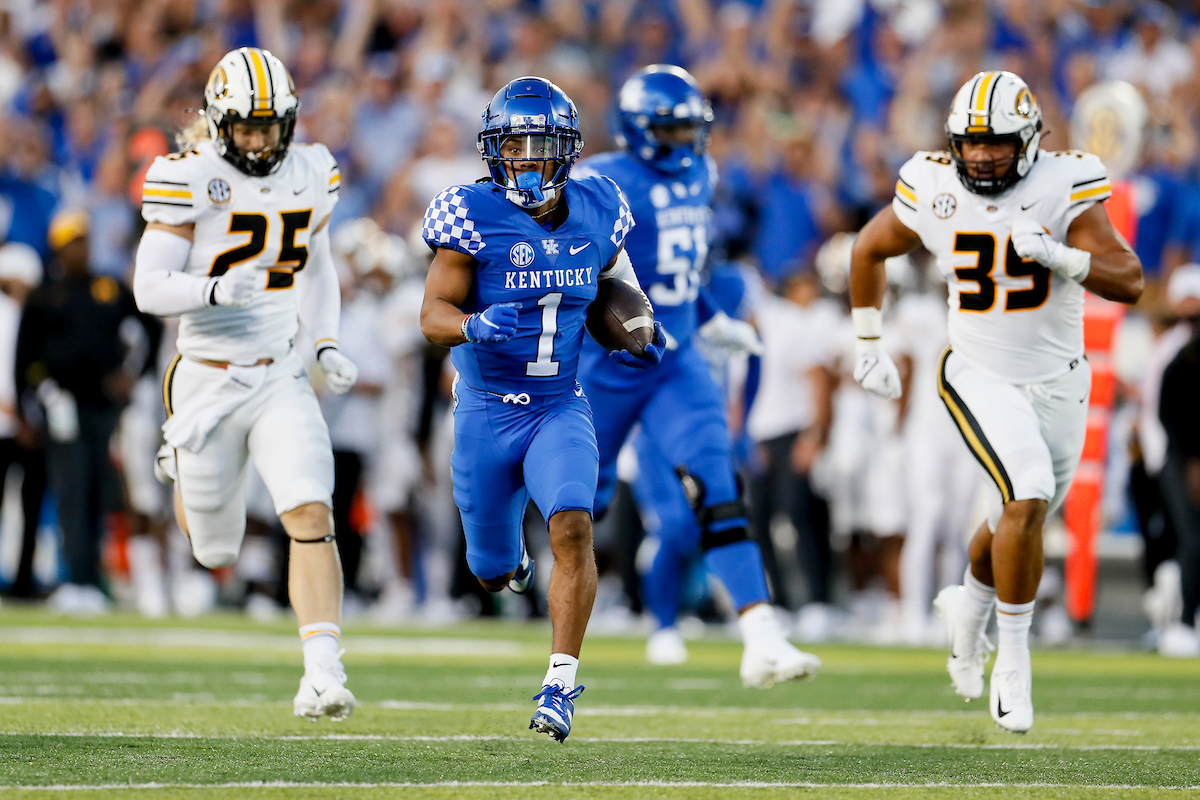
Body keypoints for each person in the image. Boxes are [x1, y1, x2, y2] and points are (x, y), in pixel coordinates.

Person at [848, 71, 1143, 733]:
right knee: (1028, 492)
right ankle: (1012, 659)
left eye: (996, 144)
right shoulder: (931, 184)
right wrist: (868, 342)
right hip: (978, 371)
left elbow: (1131, 278)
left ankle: (970, 607)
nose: (980, 156)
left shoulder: (1065, 182)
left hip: (1062, 380)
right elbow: (869, 248)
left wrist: (1068, 260)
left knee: (1015, 520)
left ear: (1031, 140)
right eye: (969, 144)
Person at [419, 76, 665, 742]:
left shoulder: (598, 206)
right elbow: (431, 313)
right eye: (515, 145)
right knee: (492, 571)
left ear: (568, 150)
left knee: (574, 526)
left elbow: (617, 280)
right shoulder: (469, 213)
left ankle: (559, 685)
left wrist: (642, 322)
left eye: (540, 145)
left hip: (559, 404)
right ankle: (510, 565)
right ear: (493, 152)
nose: (527, 158)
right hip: (485, 409)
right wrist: (471, 326)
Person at [131, 48, 360, 722]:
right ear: (217, 123)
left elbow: (317, 266)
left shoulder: (313, 170)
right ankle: (179, 461)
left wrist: (323, 342)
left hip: (279, 372)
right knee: (215, 547)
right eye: (245, 128)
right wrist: (209, 289)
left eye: (269, 127)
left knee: (310, 510)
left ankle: (323, 670)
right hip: (205, 377)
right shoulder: (189, 176)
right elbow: (148, 287)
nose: (258, 141)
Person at [575, 65, 821, 684]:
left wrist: (710, 318)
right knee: (576, 504)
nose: (689, 141)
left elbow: (690, 272)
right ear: (643, 130)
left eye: (694, 128)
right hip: (610, 363)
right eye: (676, 128)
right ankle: (512, 572)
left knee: (718, 482)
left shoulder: (701, 174)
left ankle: (760, 632)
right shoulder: (605, 180)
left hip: (677, 361)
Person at [16, 209, 161, 614]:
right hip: (61, 402)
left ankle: (90, 579)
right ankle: (74, 579)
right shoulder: (46, 293)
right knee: (71, 490)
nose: (79, 248)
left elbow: (148, 328)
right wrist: (27, 408)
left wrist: (134, 375)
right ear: (59, 247)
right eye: (72, 242)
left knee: (97, 490)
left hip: (103, 405)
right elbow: (22, 355)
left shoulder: (108, 288)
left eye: (82, 240)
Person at [0, 242, 45, 599]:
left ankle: (24, 581)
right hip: (4, 424)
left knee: (32, 506)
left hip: (31, 425)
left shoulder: (38, 314)